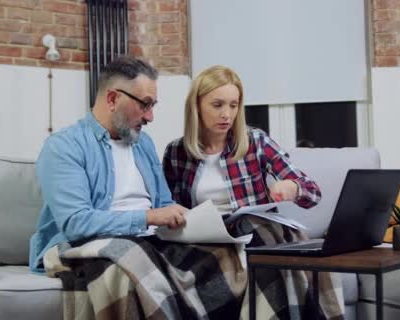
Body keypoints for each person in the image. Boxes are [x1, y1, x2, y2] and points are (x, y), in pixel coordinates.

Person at [163, 65, 344, 319]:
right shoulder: (176, 152)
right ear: (196, 105)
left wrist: (292, 188)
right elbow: (170, 207)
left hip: (258, 233)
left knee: (261, 244)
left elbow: (312, 192)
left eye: (233, 105)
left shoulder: (255, 141)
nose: (227, 114)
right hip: (208, 241)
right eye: (217, 105)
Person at [29, 56, 187, 273]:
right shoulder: (64, 146)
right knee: (134, 258)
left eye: (153, 105)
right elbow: (77, 224)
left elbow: (164, 205)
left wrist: (188, 220)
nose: (150, 117)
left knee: (222, 255)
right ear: (112, 99)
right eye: (145, 104)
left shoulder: (144, 144)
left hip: (147, 243)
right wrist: (148, 217)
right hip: (88, 245)